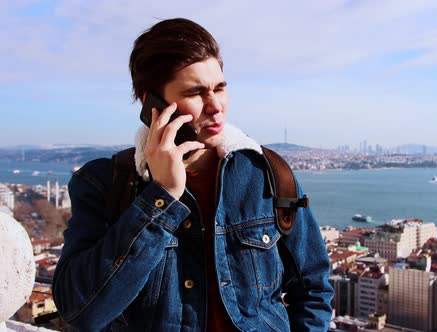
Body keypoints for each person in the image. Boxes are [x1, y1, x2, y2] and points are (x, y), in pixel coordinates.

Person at [52, 18, 333, 331]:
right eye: (196, 92)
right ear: (151, 104)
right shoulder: (105, 184)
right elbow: (80, 312)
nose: (216, 107)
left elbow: (313, 288)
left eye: (220, 88)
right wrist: (161, 196)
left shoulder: (266, 173)